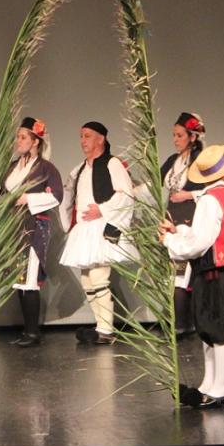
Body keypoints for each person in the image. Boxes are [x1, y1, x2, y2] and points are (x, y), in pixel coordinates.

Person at [160, 144, 224, 409]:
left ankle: (221, 390)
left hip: (215, 273)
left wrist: (170, 241)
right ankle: (210, 384)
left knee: (220, 331)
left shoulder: (209, 200)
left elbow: (198, 245)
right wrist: (178, 231)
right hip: (222, 270)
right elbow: (206, 236)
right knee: (210, 331)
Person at [59, 121, 137, 344]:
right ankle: (100, 326)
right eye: (81, 136)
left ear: (101, 139)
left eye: (87, 136)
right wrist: (68, 222)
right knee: (87, 280)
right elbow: (69, 197)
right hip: (86, 229)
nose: (83, 141)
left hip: (103, 225)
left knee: (99, 277)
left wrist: (102, 209)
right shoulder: (80, 169)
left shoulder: (112, 164)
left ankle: (106, 330)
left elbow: (126, 195)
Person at [2, 117, 63, 347]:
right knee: (19, 279)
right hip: (13, 226)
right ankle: (27, 330)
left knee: (29, 279)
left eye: (23, 137)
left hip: (33, 226)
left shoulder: (46, 168)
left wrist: (28, 198)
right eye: (18, 137)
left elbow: (56, 196)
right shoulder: (12, 166)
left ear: (35, 141)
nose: (18, 141)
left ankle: (32, 331)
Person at [160, 113, 207, 336]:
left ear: (192, 137)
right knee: (175, 273)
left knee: (182, 273)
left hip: (191, 219)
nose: (175, 140)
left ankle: (182, 323)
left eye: (179, 135)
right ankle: (182, 322)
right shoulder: (173, 160)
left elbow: (212, 189)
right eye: (174, 135)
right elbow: (155, 182)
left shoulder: (200, 160)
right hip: (173, 217)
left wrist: (188, 194)